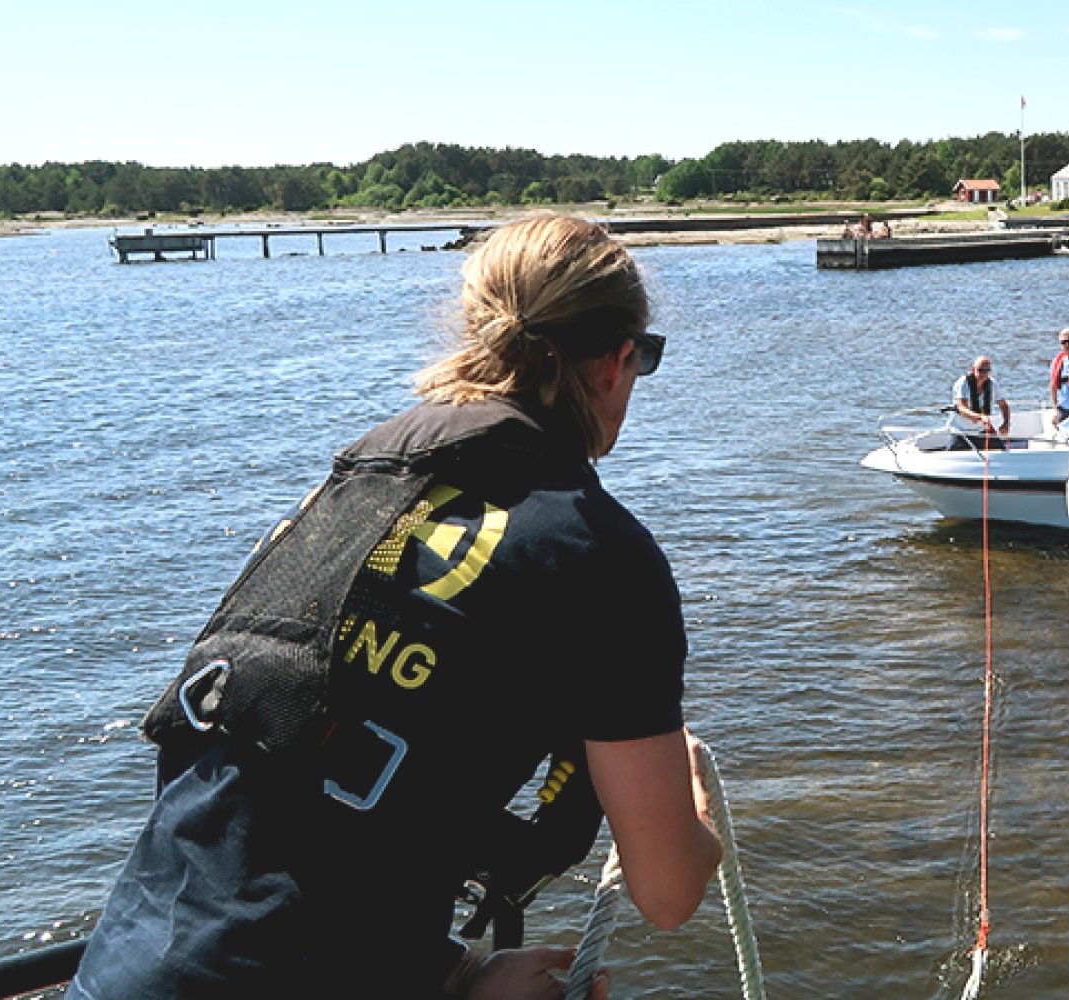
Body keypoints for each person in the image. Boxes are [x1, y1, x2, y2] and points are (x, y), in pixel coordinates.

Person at [66, 216, 722, 1000]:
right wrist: (694, 801)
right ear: (616, 364)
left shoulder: (354, 483)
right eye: (641, 357)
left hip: (123, 967)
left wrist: (447, 976)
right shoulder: (597, 553)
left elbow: (278, 808)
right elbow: (668, 891)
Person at [952, 355, 1011, 448]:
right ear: (973, 369)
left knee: (1001, 451)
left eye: (987, 371)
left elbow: (1003, 405)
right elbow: (962, 408)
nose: (984, 374)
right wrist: (980, 417)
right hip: (961, 432)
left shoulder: (992, 384)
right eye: (980, 370)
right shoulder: (963, 383)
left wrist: (1006, 423)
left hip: (981, 431)